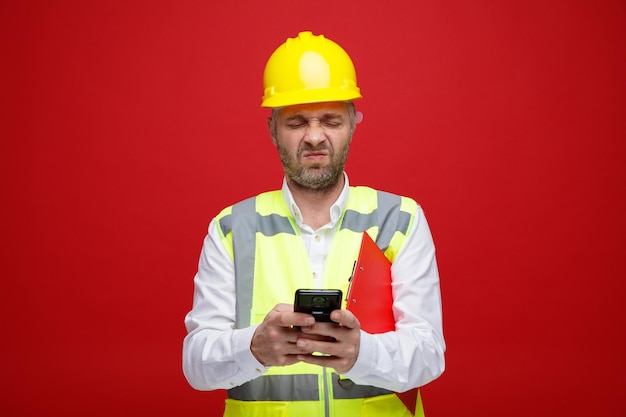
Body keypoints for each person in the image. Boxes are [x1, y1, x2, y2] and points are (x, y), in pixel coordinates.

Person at [182, 31, 445, 417]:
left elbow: (429, 355)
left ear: (354, 123)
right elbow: (196, 366)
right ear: (273, 129)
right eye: (297, 122)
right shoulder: (231, 230)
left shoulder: (399, 220)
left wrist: (363, 353)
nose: (315, 136)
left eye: (330, 120)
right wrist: (253, 347)